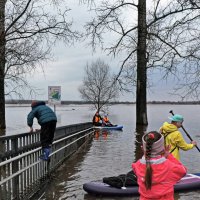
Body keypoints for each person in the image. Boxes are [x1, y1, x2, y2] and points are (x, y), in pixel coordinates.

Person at [132, 131, 187, 200]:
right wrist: (168, 156)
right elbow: (183, 171)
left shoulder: (137, 165)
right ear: (162, 148)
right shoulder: (169, 166)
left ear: (143, 148)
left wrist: (146, 153)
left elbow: (144, 165)